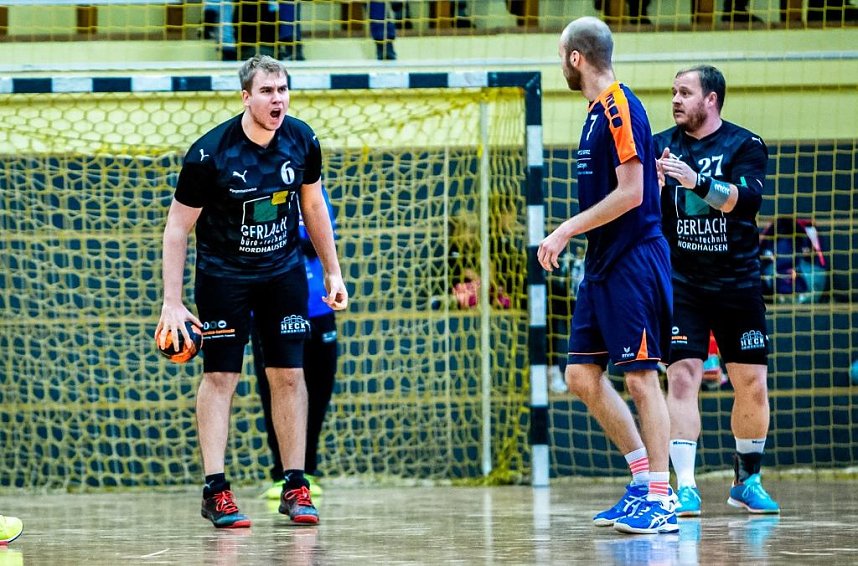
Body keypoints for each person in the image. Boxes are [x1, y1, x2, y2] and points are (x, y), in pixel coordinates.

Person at [156, 54, 348, 528]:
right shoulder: (209, 155)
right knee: (222, 377)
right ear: (246, 96)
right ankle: (216, 490)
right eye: (266, 91)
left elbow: (313, 206)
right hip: (224, 277)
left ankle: (295, 484)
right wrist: (173, 302)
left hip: (282, 274)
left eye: (282, 90)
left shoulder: (302, 140)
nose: (277, 99)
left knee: (289, 374)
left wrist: (333, 271)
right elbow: (177, 229)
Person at [538, 17, 676, 535]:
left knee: (642, 377)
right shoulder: (596, 113)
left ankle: (663, 498)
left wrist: (564, 231)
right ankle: (641, 480)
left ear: (576, 57)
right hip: (604, 262)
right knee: (580, 375)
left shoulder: (619, 106)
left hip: (633, 259)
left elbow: (631, 192)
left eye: (561, 56)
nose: (561, 65)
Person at [654, 64, 779, 517]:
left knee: (752, 384)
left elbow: (744, 203)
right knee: (682, 375)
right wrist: (655, 184)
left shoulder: (746, 145)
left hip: (737, 282)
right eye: (673, 92)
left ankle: (746, 482)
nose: (675, 100)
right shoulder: (660, 146)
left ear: (711, 99)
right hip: (682, 281)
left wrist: (694, 180)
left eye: (685, 92)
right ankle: (684, 485)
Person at [255, 186, 339, 500]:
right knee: (276, 388)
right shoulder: (261, 191)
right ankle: (282, 473)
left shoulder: (316, 193)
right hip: (269, 306)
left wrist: (292, 225)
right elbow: (262, 233)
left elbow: (316, 236)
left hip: (317, 305)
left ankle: (309, 470)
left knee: (318, 389)